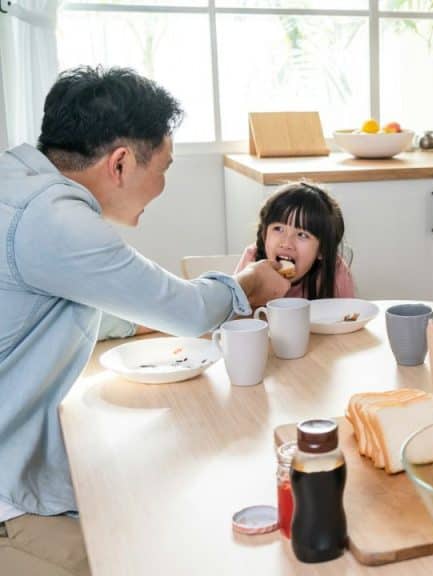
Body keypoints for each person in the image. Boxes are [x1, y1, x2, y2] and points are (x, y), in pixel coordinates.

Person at [0, 66, 289, 575]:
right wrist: (248, 284)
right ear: (120, 163)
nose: (164, 184)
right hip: (6, 496)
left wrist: (140, 322)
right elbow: (187, 311)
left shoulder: (17, 181)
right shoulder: (54, 220)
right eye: (165, 166)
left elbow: (74, 301)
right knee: (146, 552)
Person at [234, 182, 356, 299]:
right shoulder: (253, 260)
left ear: (322, 250)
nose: (286, 243)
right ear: (264, 234)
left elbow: (347, 317)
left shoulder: (335, 272)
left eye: (302, 235)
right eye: (278, 228)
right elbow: (230, 312)